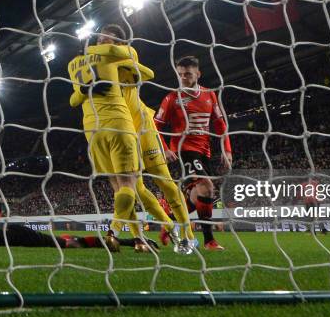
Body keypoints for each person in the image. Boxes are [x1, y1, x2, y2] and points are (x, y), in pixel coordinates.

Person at [96, 24, 194, 254]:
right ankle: (149, 236)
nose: (100, 43)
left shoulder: (128, 54)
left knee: (165, 182)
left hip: (142, 128)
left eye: (106, 40)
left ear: (119, 44)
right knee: (133, 189)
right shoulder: (97, 65)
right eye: (99, 39)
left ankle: (189, 235)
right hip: (120, 131)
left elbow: (144, 71)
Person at [67, 32, 155, 252]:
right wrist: (108, 49)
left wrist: (85, 89)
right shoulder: (111, 55)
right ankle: (113, 232)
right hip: (118, 123)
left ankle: (138, 239)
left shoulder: (72, 64)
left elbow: (73, 100)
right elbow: (147, 72)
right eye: (100, 40)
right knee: (129, 184)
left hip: (92, 130)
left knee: (119, 188)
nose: (103, 43)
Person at [155, 56, 232, 251]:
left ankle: (169, 224)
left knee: (197, 195)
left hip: (204, 151)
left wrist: (227, 149)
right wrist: (165, 148)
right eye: (180, 74)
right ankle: (209, 241)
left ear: (198, 74)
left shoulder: (209, 95)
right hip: (183, 150)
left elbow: (220, 123)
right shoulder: (172, 98)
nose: (183, 78)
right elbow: (155, 125)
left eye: (187, 74)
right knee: (206, 186)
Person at [0, 214, 158, 252]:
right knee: (65, 241)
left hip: (15, 236)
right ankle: (132, 242)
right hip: (12, 233)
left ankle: (129, 242)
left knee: (66, 244)